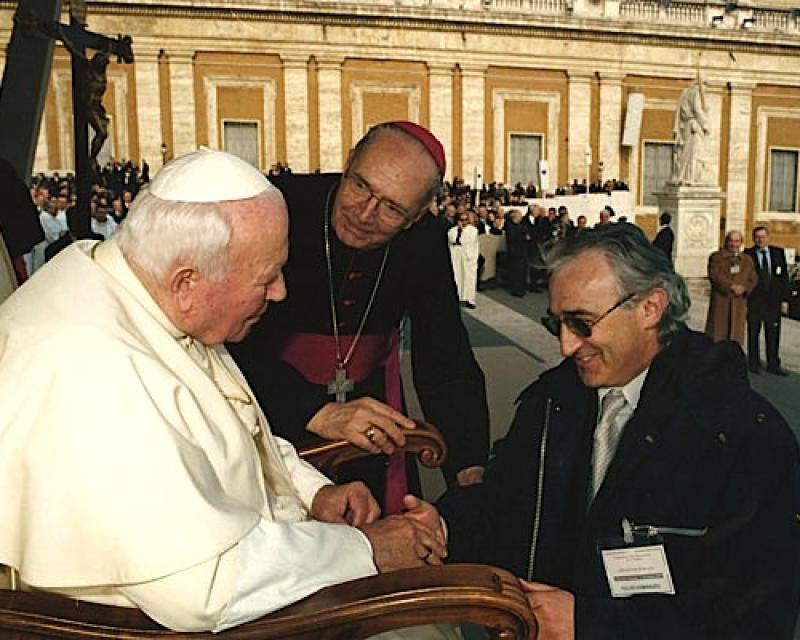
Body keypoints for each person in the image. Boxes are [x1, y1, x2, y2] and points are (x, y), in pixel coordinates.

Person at [0, 149, 448, 633]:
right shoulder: (89, 371)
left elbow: (227, 425)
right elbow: (205, 585)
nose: (280, 292)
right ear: (188, 282)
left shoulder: (137, 288)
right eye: (266, 277)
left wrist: (312, 491)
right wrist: (370, 549)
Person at [438, 223, 800, 639]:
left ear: (650, 308)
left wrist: (590, 627)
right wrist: (440, 527)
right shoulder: (553, 401)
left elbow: (756, 615)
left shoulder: (743, 437)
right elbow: (507, 502)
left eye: (582, 323)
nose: (566, 346)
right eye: (555, 322)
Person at [229, 122, 490, 513]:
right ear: (348, 163)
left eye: (392, 208)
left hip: (373, 413)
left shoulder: (423, 240)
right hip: (265, 403)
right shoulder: (281, 205)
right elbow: (225, 336)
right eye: (360, 186)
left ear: (417, 216)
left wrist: (468, 465)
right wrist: (313, 410)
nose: (365, 214)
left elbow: (444, 352)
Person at [745, 225, 791, 376]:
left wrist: (785, 299)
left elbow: (784, 278)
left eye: (763, 237)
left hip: (773, 301)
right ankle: (754, 362)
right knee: (754, 332)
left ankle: (773, 363)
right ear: (753, 239)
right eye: (757, 237)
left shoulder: (778, 253)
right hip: (755, 301)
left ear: (768, 237)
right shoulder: (748, 255)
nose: (760, 240)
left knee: (773, 332)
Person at [704, 230, 758, 347]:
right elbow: (715, 276)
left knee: (735, 336)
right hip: (721, 302)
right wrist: (731, 286)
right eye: (732, 241)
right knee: (718, 334)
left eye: (737, 241)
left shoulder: (747, 260)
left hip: (739, 303)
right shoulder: (717, 257)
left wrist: (744, 288)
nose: (734, 244)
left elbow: (753, 278)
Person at [672, 78, 710, 185]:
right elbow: (697, 110)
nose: (705, 90)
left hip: (685, 126)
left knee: (686, 152)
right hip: (694, 125)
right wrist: (705, 124)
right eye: (706, 87)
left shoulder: (684, 93)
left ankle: (683, 175)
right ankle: (692, 177)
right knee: (696, 151)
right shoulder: (695, 93)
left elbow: (679, 111)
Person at [448, 211, 479, 309]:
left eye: (466, 220)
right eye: (462, 220)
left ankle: (470, 299)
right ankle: (457, 297)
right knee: (457, 277)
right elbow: (453, 240)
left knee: (469, 279)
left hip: (468, 258)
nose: (464, 222)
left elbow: (466, 241)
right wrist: (459, 231)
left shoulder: (473, 230)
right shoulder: (452, 230)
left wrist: (461, 234)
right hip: (456, 257)